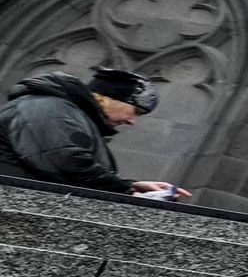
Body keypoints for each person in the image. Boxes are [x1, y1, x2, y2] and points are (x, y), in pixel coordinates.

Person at [0, 63, 182, 198]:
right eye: (136, 111)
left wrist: (132, 186)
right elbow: (66, 164)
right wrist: (127, 192)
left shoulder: (66, 113)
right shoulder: (46, 107)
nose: (132, 121)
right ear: (111, 99)